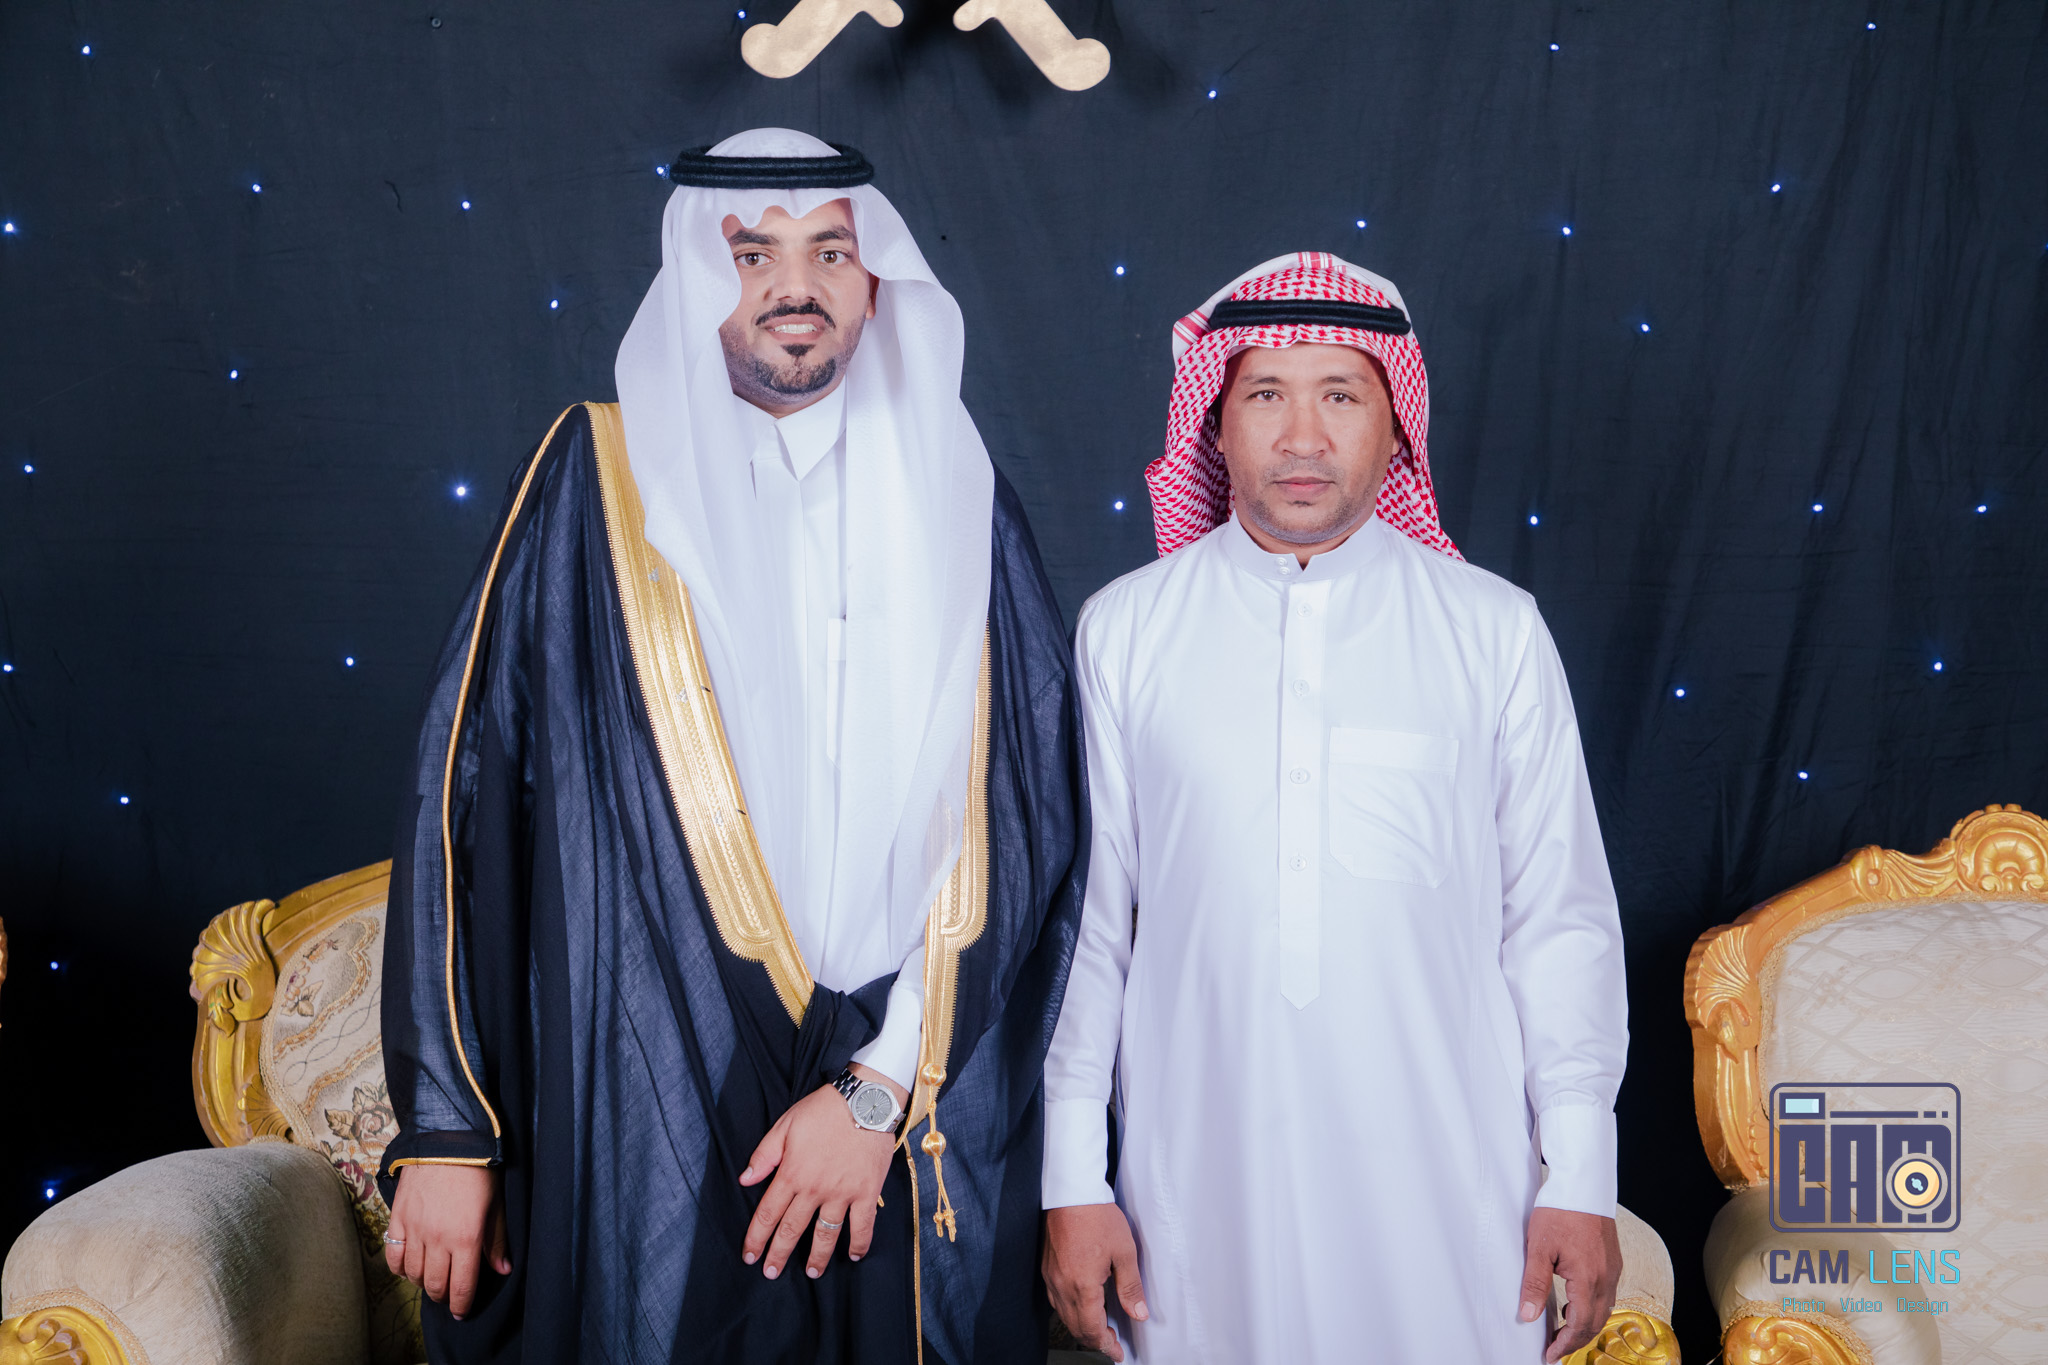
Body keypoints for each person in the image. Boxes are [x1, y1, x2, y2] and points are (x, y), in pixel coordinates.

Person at [375, 128, 1086, 1365]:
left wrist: (880, 1086)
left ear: (878, 283)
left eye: (828, 253)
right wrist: (448, 1128)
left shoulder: (959, 495)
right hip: (658, 1061)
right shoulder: (593, 481)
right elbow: (462, 796)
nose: (792, 287)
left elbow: (1024, 819)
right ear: (699, 280)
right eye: (752, 254)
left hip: (896, 1094)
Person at [1039, 252, 1628, 1363]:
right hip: (1194, 1197)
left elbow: (1558, 924)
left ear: (1396, 426)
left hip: (1456, 1203)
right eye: (1266, 393)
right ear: (1214, 425)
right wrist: (1073, 1176)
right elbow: (1089, 937)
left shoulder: (1494, 631)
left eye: (1341, 396)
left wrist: (1581, 1175)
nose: (1302, 437)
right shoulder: (1124, 632)